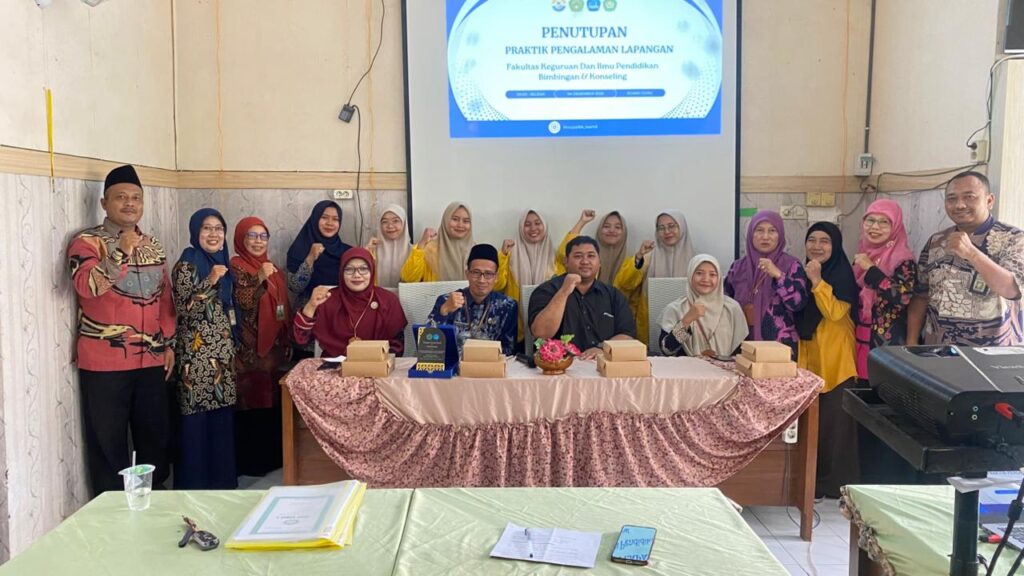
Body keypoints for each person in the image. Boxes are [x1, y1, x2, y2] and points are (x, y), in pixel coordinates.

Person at [68, 164, 175, 494]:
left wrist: (168, 343)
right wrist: (120, 252)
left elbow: (164, 298)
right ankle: (112, 511)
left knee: (155, 439)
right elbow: (87, 286)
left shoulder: (153, 245)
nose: (130, 203)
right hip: (105, 363)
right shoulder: (86, 243)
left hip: (152, 359)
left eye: (136, 198)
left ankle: (153, 504)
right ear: (104, 203)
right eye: (121, 197)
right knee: (108, 445)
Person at [908, 171, 1024, 347]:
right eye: (952, 198)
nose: (959, 205)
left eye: (969, 197)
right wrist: (911, 340)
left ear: (989, 201)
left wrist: (971, 253)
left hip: (993, 352)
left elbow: (1011, 289)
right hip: (938, 350)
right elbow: (921, 295)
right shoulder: (936, 241)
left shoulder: (1014, 239)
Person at [172, 208, 238, 489]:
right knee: (196, 421)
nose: (213, 234)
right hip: (196, 359)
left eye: (218, 229)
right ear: (195, 232)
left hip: (222, 356)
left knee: (220, 418)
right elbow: (185, 309)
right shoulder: (187, 264)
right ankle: (195, 485)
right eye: (207, 228)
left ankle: (222, 482)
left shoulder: (222, 262)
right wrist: (210, 281)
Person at [795, 222, 859, 499]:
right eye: (812, 240)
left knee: (835, 429)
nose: (817, 246)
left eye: (825, 241)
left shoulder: (842, 276)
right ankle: (809, 483)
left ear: (835, 246)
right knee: (813, 427)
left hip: (836, 363)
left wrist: (817, 282)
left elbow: (834, 312)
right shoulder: (800, 272)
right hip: (810, 359)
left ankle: (834, 487)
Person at [230, 216, 289, 477]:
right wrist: (259, 279)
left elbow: (283, 305)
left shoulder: (271, 266)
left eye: (263, 236)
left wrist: (286, 336)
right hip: (247, 350)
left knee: (270, 401)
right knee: (250, 403)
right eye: (251, 236)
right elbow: (241, 301)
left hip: (272, 351)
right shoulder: (235, 266)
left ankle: (270, 460)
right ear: (240, 239)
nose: (258, 241)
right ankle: (251, 464)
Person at [528, 236, 636, 359]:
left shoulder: (613, 295)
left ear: (599, 262)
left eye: (591, 256)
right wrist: (564, 292)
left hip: (601, 363)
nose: (585, 261)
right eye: (578, 256)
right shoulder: (546, 290)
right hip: (559, 365)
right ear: (566, 261)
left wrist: (602, 348)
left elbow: (627, 335)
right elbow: (541, 333)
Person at [292, 247, 407, 358]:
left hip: (377, 365)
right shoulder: (327, 299)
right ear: (341, 272)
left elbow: (397, 348)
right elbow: (301, 340)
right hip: (334, 366)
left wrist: (368, 354)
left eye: (363, 269)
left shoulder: (387, 300)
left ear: (372, 271)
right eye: (349, 269)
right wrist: (311, 306)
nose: (356, 275)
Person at [725, 211, 809, 359]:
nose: (765, 236)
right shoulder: (737, 268)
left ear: (780, 235)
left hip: (780, 346)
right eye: (759, 230)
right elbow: (726, 303)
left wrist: (779, 275)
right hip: (742, 344)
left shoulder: (791, 265)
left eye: (772, 231)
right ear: (751, 234)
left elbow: (798, 303)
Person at [499, 209, 588, 346]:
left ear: (545, 226)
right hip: (516, 330)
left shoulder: (555, 259)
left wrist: (581, 222)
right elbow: (498, 284)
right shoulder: (509, 255)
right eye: (527, 224)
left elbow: (570, 248)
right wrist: (503, 255)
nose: (533, 228)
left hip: (549, 332)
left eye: (537, 223)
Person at [853, 200, 917, 379]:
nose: (875, 227)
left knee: (882, 390)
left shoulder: (903, 260)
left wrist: (871, 269)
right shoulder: (864, 253)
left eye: (884, 222)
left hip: (888, 343)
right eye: (870, 220)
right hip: (860, 339)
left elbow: (903, 298)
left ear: (895, 226)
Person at [615, 210, 696, 345]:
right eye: (661, 228)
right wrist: (639, 257)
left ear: (682, 227)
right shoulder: (648, 257)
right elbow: (623, 284)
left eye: (671, 226)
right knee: (655, 353)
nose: (667, 232)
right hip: (650, 322)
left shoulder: (697, 261)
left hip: (686, 325)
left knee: (676, 351)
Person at [286, 200, 352, 357]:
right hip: (308, 321)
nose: (330, 223)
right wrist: (310, 258)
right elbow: (295, 287)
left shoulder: (347, 252)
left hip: (338, 323)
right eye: (324, 217)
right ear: (315, 219)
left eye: (335, 219)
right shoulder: (299, 248)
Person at [428, 244, 518, 355]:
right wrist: (443, 311)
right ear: (467, 274)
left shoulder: (508, 306)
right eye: (476, 272)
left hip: (490, 363)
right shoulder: (446, 300)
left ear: (496, 277)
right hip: (454, 363)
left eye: (488, 274)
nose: (481, 280)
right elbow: (427, 346)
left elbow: (509, 350)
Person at [659, 254, 747, 357]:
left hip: (726, 366)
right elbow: (666, 350)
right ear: (690, 275)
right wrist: (686, 320)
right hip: (688, 366)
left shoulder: (731, 308)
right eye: (699, 273)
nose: (706, 279)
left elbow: (742, 351)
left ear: (719, 278)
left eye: (712, 274)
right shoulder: (676, 309)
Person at [401, 202, 477, 282]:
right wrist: (421, 244)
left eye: (466, 221)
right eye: (455, 219)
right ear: (445, 220)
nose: (460, 225)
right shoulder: (429, 249)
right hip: (434, 291)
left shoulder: (475, 250)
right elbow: (408, 279)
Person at [365, 204, 411, 290]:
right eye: (385, 222)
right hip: (377, 297)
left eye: (395, 221)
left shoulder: (414, 252)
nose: (390, 226)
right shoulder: (372, 250)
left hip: (407, 297)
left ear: (404, 223)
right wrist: (365, 255)